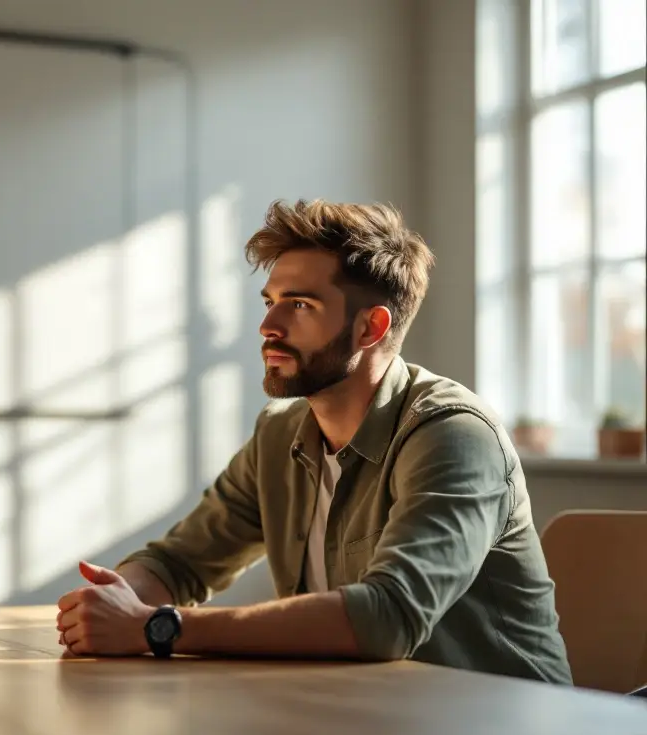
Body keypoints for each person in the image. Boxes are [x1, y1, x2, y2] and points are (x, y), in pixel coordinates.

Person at [56, 198, 573, 685]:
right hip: (371, 718)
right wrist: (117, 602)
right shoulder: (280, 433)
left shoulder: (452, 435)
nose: (268, 326)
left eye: (299, 305)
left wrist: (157, 628)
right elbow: (181, 562)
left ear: (371, 327)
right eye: (270, 302)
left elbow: (388, 617)